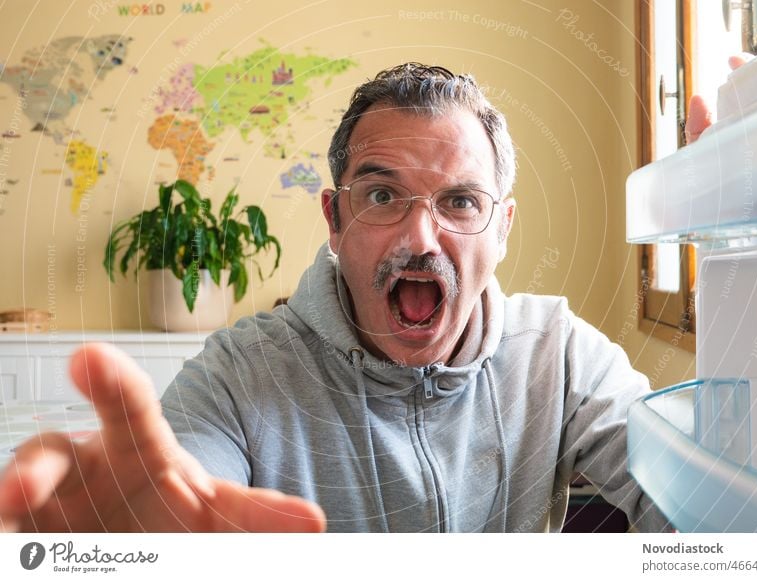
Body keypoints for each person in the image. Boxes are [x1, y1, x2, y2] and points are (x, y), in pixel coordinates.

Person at [0, 63, 716, 533]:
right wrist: (137, 539)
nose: (420, 236)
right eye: (380, 195)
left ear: (501, 230)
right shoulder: (241, 372)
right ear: (335, 221)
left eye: (460, 201)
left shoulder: (557, 353)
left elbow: (689, 499)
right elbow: (183, 486)